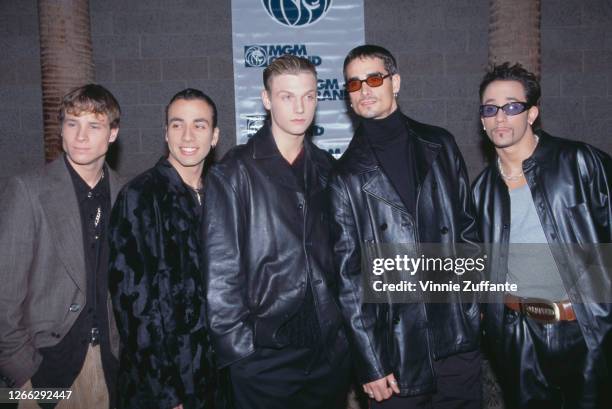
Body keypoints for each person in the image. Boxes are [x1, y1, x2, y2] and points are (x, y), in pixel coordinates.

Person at [330, 44, 481, 408]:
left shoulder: (440, 144)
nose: (364, 90)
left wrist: (473, 312)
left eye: (374, 78)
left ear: (395, 82)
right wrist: (370, 363)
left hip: (457, 340)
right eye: (353, 84)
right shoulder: (344, 176)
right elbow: (348, 281)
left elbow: (467, 233)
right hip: (395, 357)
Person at [201, 54, 350, 409]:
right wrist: (240, 355)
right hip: (263, 357)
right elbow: (220, 274)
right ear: (267, 100)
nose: (300, 107)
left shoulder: (329, 169)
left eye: (309, 96)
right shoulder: (234, 172)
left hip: (327, 356)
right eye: (287, 96)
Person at [472, 62, 612, 409]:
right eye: (490, 109)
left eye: (512, 107)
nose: (500, 117)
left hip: (586, 329)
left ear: (532, 113)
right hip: (518, 339)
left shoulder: (578, 162)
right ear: (482, 119)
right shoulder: (481, 190)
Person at [0, 84, 123, 409]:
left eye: (93, 125)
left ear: (112, 133)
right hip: (44, 369)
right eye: (72, 123)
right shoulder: (28, 191)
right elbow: (4, 293)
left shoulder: (127, 194)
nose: (80, 136)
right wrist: (22, 373)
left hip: (113, 367)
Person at [108, 89, 225, 409]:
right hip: (163, 384)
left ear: (214, 136)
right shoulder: (140, 196)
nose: (187, 135)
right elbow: (133, 305)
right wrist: (166, 392)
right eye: (177, 124)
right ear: (165, 133)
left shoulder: (222, 194)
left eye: (199, 125)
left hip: (217, 378)